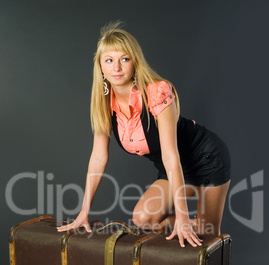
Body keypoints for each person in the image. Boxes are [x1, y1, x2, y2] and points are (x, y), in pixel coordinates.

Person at [57, 21, 231, 248]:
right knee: (143, 219)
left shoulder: (157, 91)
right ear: (100, 66)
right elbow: (98, 158)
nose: (116, 68)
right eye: (109, 60)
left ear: (134, 62)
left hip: (206, 158)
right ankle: (187, 223)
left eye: (124, 59)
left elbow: (171, 155)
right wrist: (84, 212)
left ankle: (192, 226)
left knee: (208, 233)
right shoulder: (103, 104)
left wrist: (181, 216)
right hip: (174, 168)